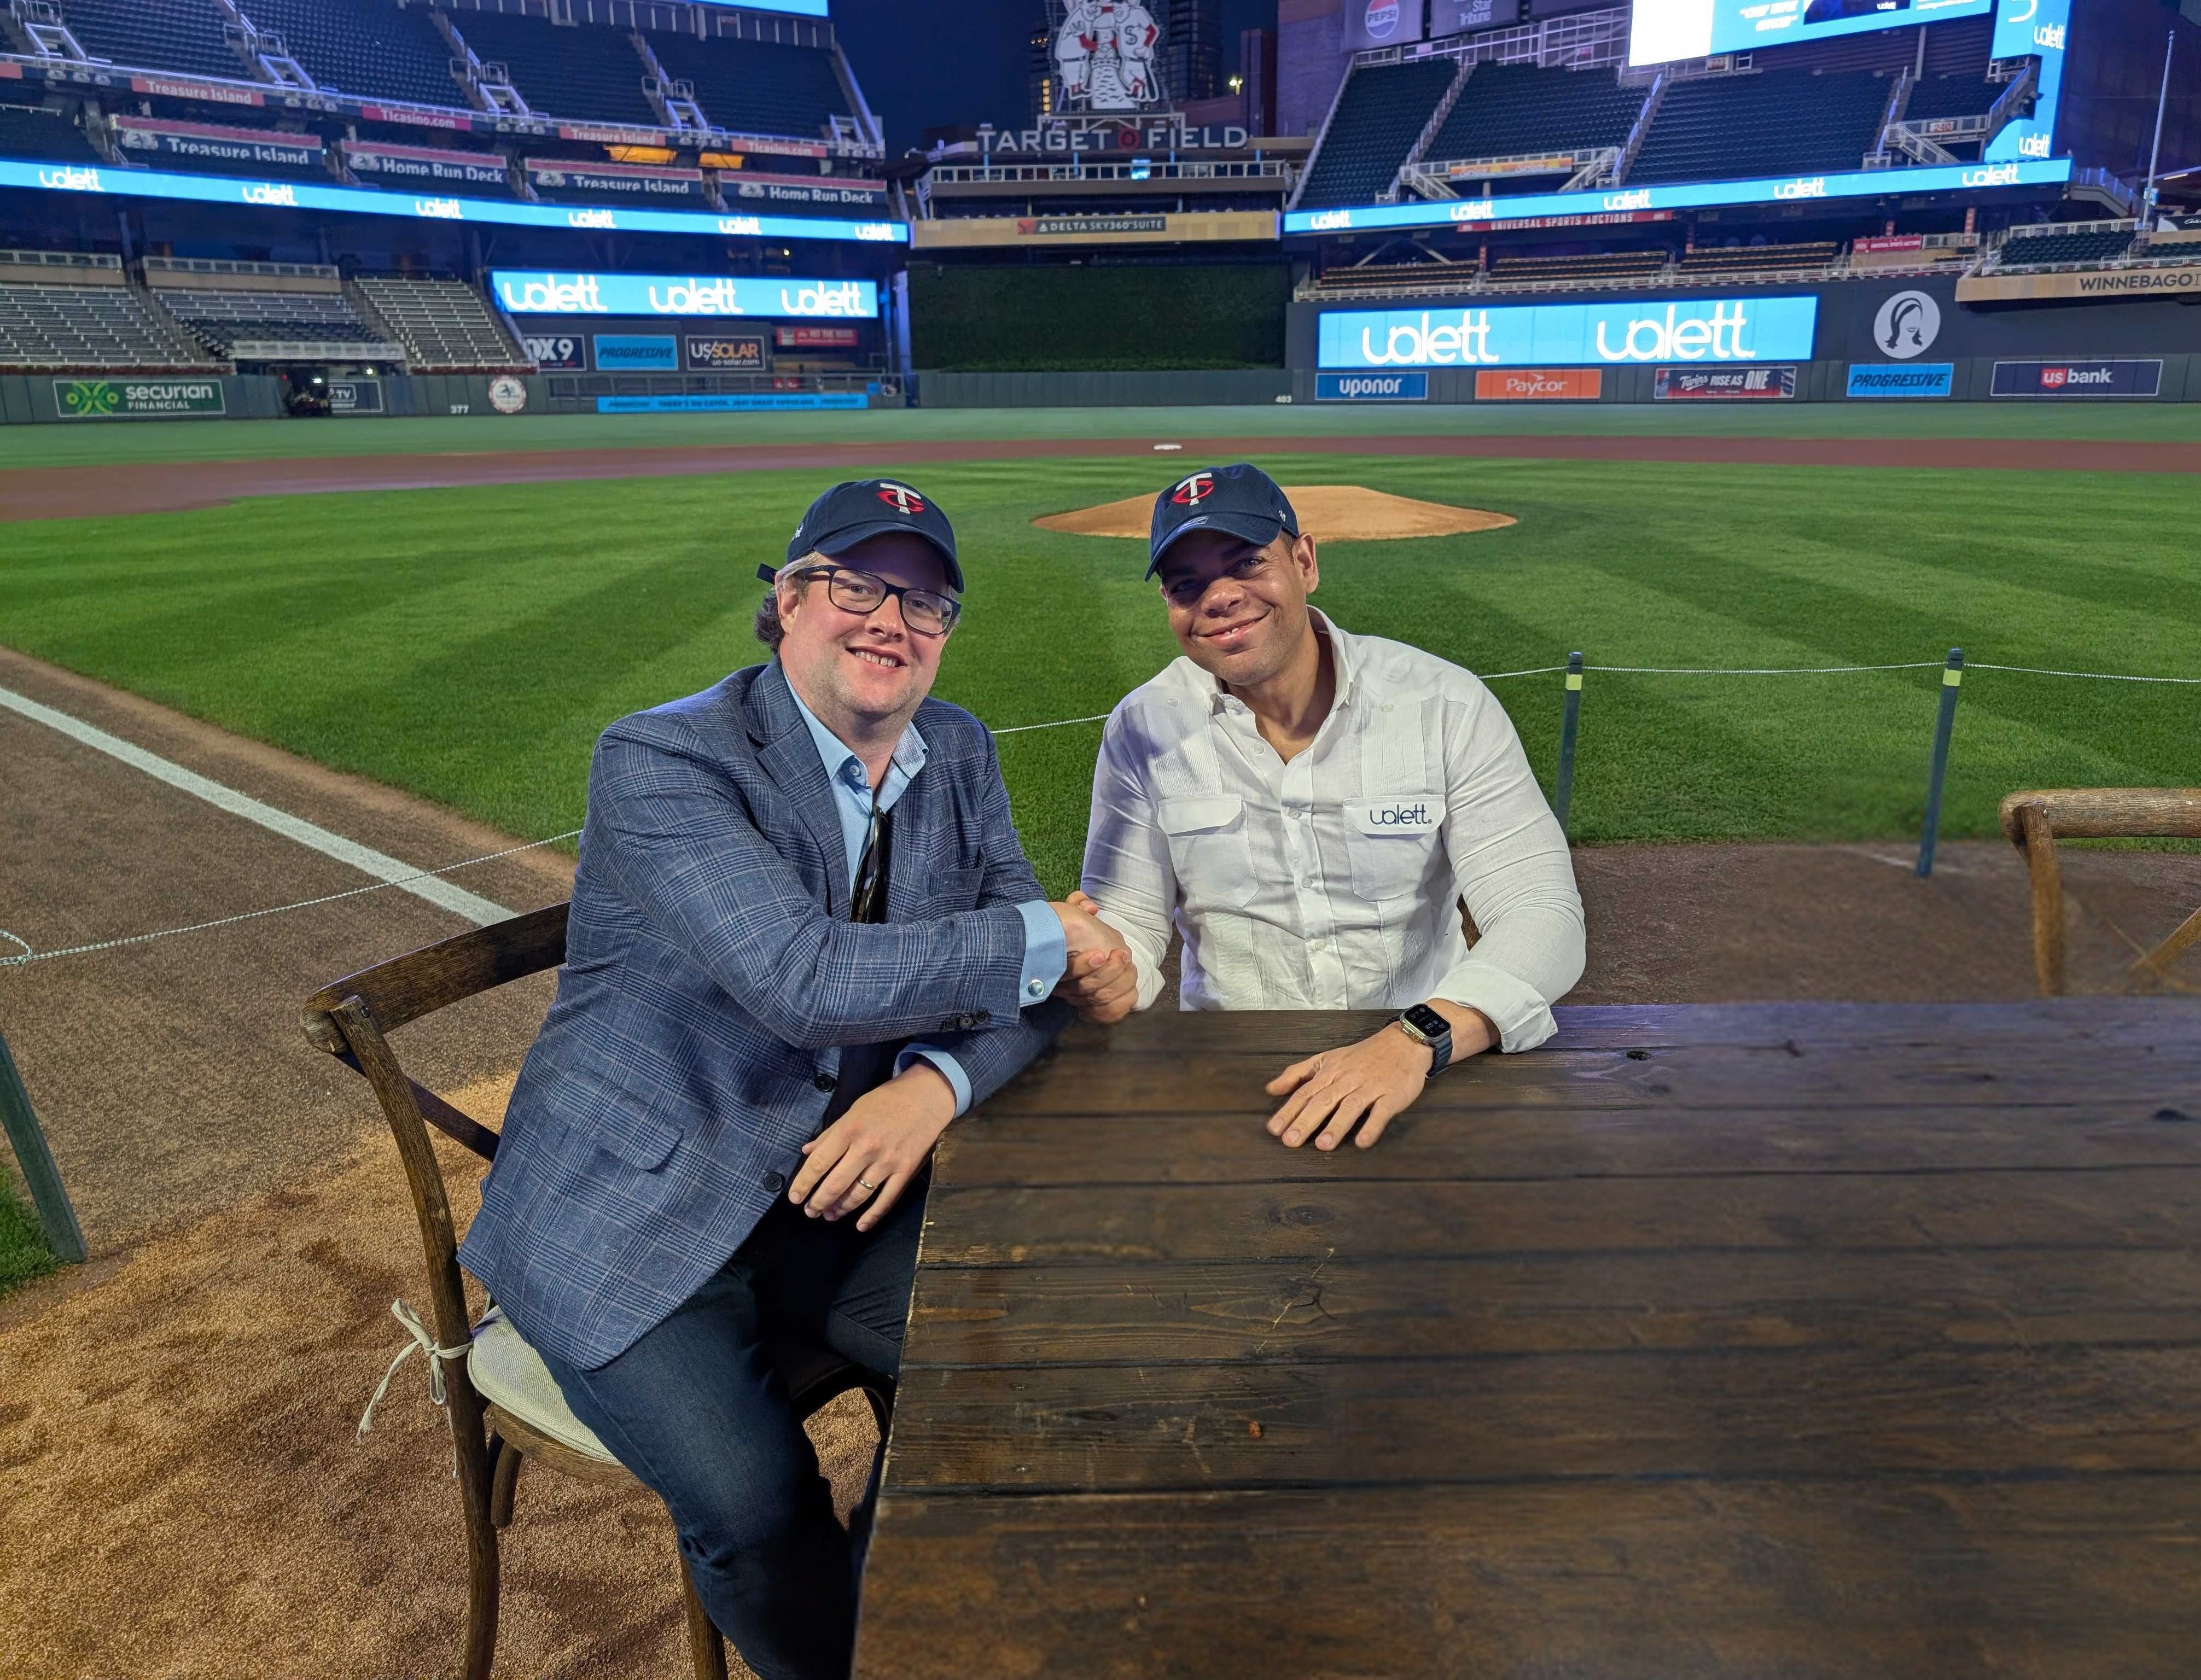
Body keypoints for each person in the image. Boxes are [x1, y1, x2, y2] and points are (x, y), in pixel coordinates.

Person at [458, 479, 1133, 1680]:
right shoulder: (665, 755)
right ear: (787, 600)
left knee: (1023, 1358)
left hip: (841, 1181)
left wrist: (933, 1087)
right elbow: (806, 976)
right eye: (856, 584)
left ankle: (907, 1625)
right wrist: (1051, 936)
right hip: (636, 1202)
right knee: (759, 1506)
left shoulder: (958, 749)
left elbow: (1031, 996)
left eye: (924, 602)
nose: (890, 621)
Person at [1073, 462, 1585, 1151]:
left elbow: (1541, 912)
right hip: (1236, 1080)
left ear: (1305, 562)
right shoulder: (1143, 727)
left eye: (1247, 563)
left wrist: (1417, 1038)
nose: (1220, 598)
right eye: (1186, 585)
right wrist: (1107, 973)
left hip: (1429, 1067)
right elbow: (1130, 924)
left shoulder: (1444, 704)